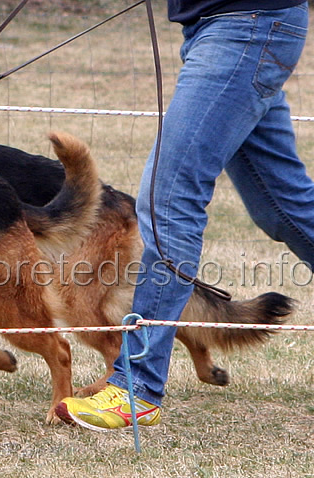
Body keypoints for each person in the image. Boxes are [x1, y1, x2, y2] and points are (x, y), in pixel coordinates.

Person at [56, 1, 312, 431]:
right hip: (231, 28)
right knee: (282, 209)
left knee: (167, 201)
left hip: (245, 26)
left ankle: (136, 388)